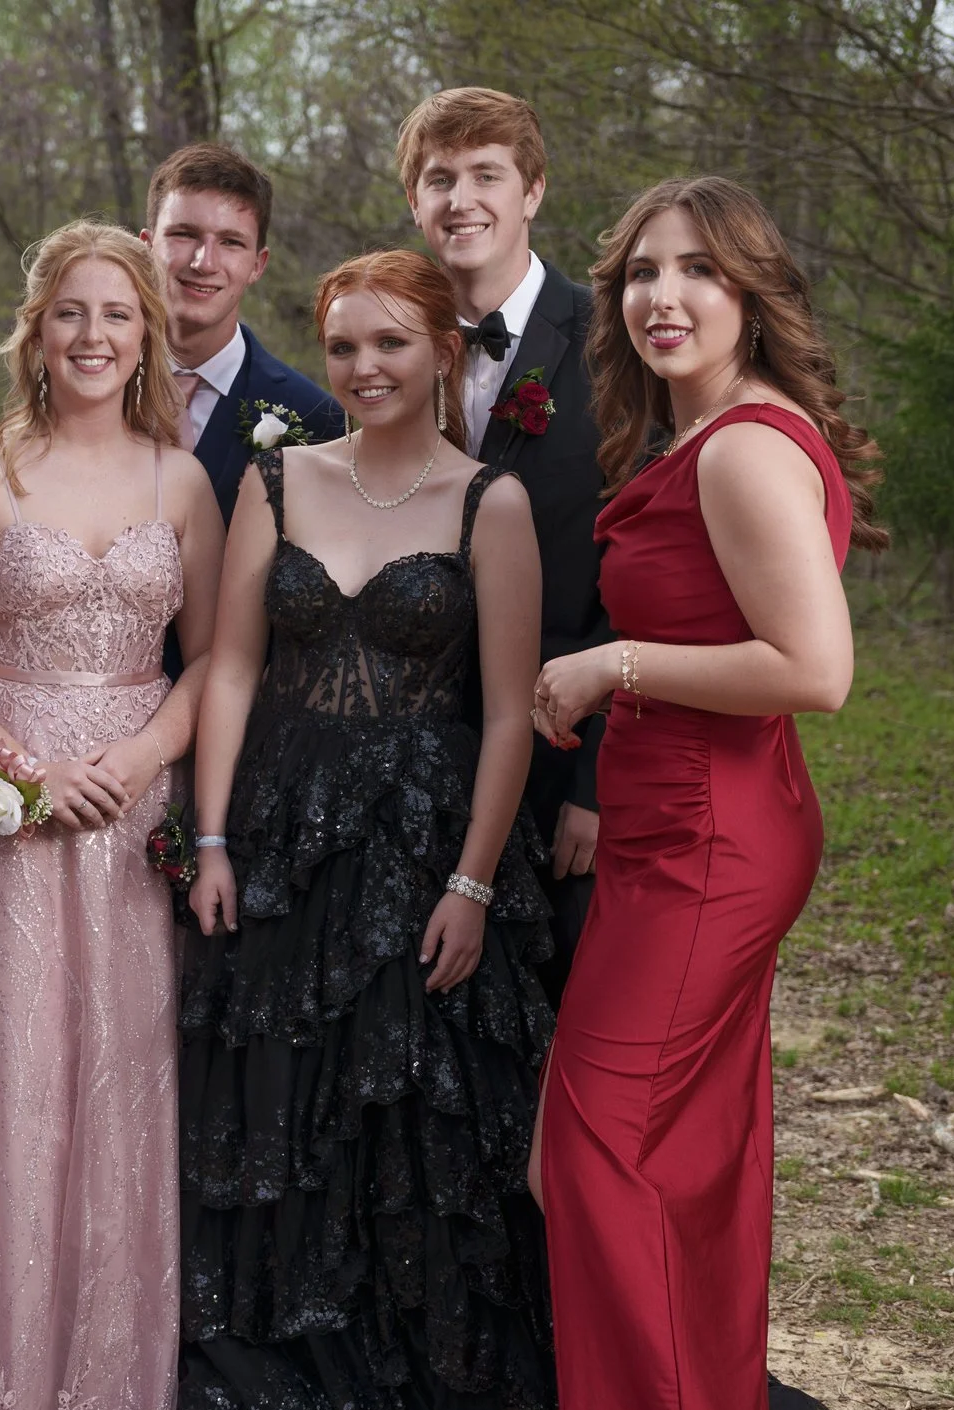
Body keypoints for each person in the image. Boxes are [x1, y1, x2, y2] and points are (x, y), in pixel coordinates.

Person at [529, 177, 885, 1410]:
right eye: (639, 273)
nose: (662, 297)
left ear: (752, 292)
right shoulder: (697, 434)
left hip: (711, 843)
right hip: (675, 829)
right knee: (679, 1163)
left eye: (698, 272)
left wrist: (609, 664)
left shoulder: (741, 448)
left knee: (598, 1157)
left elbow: (815, 669)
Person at [169, 249, 558, 1410]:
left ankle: (418, 1386)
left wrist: (473, 880)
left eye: (390, 343)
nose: (363, 367)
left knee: (406, 1120)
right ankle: (300, 1379)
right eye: (342, 345)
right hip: (282, 841)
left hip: (421, 850)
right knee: (285, 1106)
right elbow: (231, 668)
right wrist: (211, 838)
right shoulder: (275, 478)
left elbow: (507, 713)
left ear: (443, 350)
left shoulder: (491, 502)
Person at [0, 222, 223, 1410]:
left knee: (120, 1082)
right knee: (1, 1075)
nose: (93, 335)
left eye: (117, 315)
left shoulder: (181, 484)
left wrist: (138, 759)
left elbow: (215, 658)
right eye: (71, 312)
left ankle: (106, 1399)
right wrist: (23, 770)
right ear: (35, 331)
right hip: (3, 816)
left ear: (148, 337)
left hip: (131, 813)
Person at [399, 88, 608, 1003]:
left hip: (568, 761)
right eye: (439, 178)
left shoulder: (613, 344)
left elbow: (645, 578)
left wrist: (599, 783)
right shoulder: (390, 346)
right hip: (425, 766)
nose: (462, 199)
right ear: (415, 201)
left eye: (487, 174)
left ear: (534, 191)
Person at [143, 143, 343, 530]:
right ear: (146, 246)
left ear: (257, 264)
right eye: (184, 234)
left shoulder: (318, 421)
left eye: (231, 242)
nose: (204, 262)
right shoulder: (93, 389)